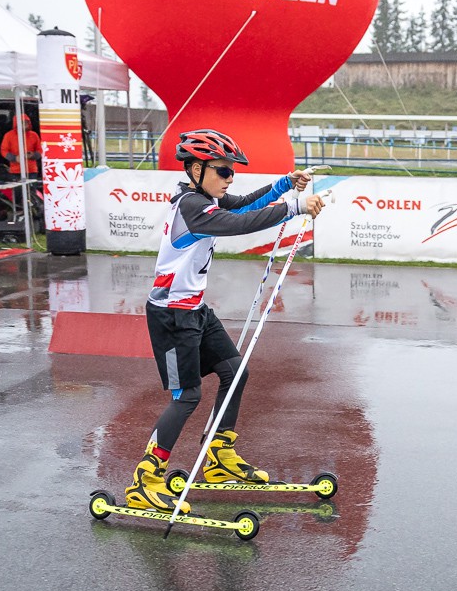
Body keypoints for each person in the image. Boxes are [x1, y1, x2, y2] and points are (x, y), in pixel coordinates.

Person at [125, 128, 324, 514]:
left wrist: (285, 184)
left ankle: (219, 456)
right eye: (223, 170)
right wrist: (294, 207)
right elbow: (238, 225)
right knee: (187, 396)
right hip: (171, 316)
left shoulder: (205, 198)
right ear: (196, 169)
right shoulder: (191, 206)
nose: (230, 178)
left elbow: (245, 206)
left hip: (195, 310)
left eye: (232, 171)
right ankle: (146, 479)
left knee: (235, 371)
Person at [0, 114, 42, 180]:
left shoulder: (34, 135)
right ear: (17, 124)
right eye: (22, 122)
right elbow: (3, 150)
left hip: (31, 170)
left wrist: (33, 155)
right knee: (17, 187)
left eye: (26, 122)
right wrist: (15, 158)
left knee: (31, 186)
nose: (25, 124)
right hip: (15, 170)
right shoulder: (9, 135)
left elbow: (40, 150)